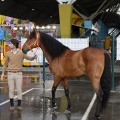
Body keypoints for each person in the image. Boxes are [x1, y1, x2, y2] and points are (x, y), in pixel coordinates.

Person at [1, 39, 37, 112]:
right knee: (11, 90)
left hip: (19, 74)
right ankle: (11, 105)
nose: (9, 44)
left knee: (19, 89)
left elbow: (28, 58)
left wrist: (33, 57)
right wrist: (2, 73)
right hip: (10, 74)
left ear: (14, 45)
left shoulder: (21, 53)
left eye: (10, 43)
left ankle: (19, 105)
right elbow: (5, 64)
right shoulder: (8, 53)